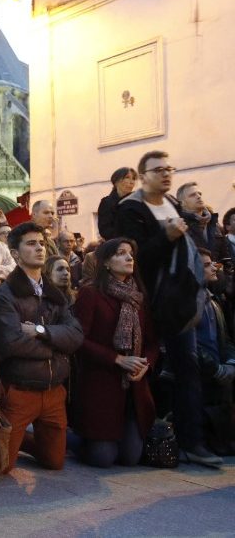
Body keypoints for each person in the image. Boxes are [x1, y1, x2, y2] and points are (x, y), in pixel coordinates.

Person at [115, 150, 219, 466]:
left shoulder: (173, 204)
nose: (165, 174)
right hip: (147, 301)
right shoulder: (130, 208)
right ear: (142, 175)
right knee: (148, 369)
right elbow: (136, 259)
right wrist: (167, 235)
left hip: (178, 305)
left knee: (188, 369)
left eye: (168, 168)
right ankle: (147, 440)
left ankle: (192, 442)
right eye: (157, 169)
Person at [0, 222, 82, 472]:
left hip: (54, 392)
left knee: (55, 462)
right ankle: (15, 440)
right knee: (2, 468)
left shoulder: (54, 292)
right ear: (15, 254)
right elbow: (11, 342)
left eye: (42, 243)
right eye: (31, 244)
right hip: (21, 391)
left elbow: (76, 335)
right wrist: (57, 347)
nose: (40, 248)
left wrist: (41, 331)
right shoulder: (6, 293)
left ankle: (25, 442)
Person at [72, 238, 159, 468]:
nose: (129, 258)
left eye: (131, 254)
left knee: (130, 459)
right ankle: (73, 439)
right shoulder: (91, 293)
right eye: (121, 253)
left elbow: (152, 343)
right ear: (106, 263)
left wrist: (145, 365)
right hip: (101, 384)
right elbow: (79, 339)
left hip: (133, 387)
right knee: (103, 458)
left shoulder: (138, 296)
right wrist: (118, 359)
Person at [194, 249, 235, 456]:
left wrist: (230, 362)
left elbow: (224, 338)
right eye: (207, 264)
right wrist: (215, 368)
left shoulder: (214, 300)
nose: (214, 267)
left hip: (219, 371)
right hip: (202, 374)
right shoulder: (189, 303)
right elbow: (190, 344)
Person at [177, 182, 224, 259]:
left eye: (199, 194)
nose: (199, 196)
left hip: (217, 270)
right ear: (182, 203)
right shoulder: (180, 225)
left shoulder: (215, 225)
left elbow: (226, 257)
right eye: (192, 195)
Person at [97, 167, 137, 240]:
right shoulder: (107, 202)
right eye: (127, 177)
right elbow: (105, 230)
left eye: (133, 178)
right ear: (116, 181)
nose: (131, 181)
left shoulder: (137, 201)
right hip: (117, 245)